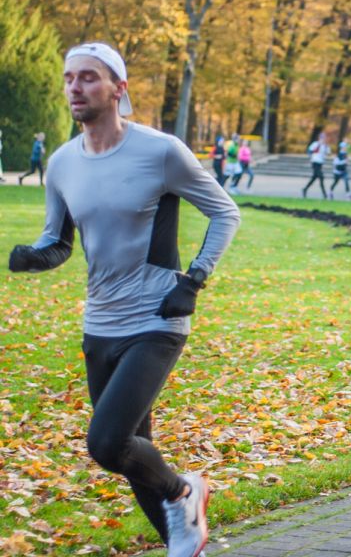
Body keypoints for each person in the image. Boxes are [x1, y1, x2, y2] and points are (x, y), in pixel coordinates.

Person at [8, 42, 240, 557]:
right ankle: (184, 542)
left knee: (107, 442)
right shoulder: (62, 163)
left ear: (119, 88)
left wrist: (193, 280)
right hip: (100, 323)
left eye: (89, 77)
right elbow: (59, 243)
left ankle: (185, 491)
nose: (75, 87)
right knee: (134, 451)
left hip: (157, 317)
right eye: (69, 77)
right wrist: (31, 257)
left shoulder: (160, 151)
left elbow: (226, 212)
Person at [303, 134, 329, 199]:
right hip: (315, 162)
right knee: (321, 177)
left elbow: (328, 153)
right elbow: (309, 150)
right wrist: (311, 158)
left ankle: (305, 189)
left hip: (320, 163)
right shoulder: (315, 144)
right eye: (322, 138)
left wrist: (325, 147)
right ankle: (324, 194)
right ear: (319, 138)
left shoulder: (325, 146)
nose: (323, 139)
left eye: (324, 138)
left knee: (314, 178)